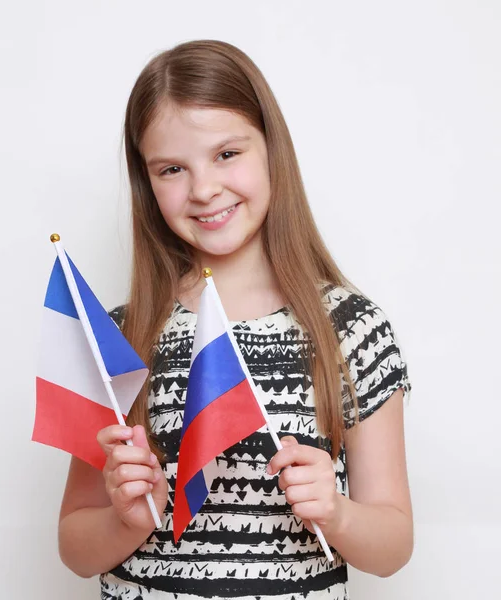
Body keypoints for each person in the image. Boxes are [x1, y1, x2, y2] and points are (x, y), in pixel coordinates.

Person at [57, 40, 413, 600]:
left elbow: (393, 547)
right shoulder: (120, 335)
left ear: (272, 149)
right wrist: (124, 520)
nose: (203, 189)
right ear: (146, 183)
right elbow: (75, 546)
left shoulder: (351, 328)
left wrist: (338, 513)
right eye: (172, 168)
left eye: (227, 154)